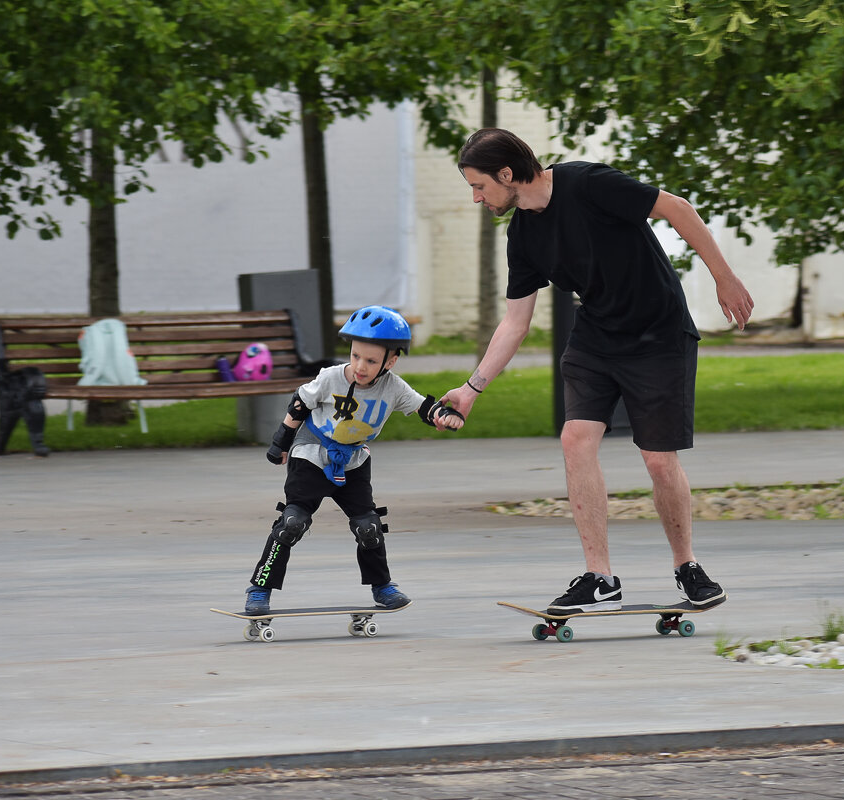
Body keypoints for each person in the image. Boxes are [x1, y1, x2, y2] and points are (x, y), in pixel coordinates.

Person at [443, 128, 754, 613]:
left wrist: (724, 277)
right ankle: (600, 577)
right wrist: (471, 388)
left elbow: (678, 209)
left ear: (507, 174)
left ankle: (686, 565)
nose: (478, 198)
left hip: (659, 334)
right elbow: (516, 323)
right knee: (575, 439)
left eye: (479, 187)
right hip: (596, 339)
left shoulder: (587, 183)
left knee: (657, 460)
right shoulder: (522, 235)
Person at [244, 305, 464, 615]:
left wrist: (445, 416)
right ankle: (259, 588)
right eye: (355, 355)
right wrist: (282, 440)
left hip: (354, 458)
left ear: (392, 361)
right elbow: (300, 404)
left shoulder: (394, 388)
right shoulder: (331, 377)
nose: (360, 366)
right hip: (311, 453)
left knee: (368, 525)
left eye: (371, 361)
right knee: (292, 522)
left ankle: (382, 586)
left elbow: (424, 408)